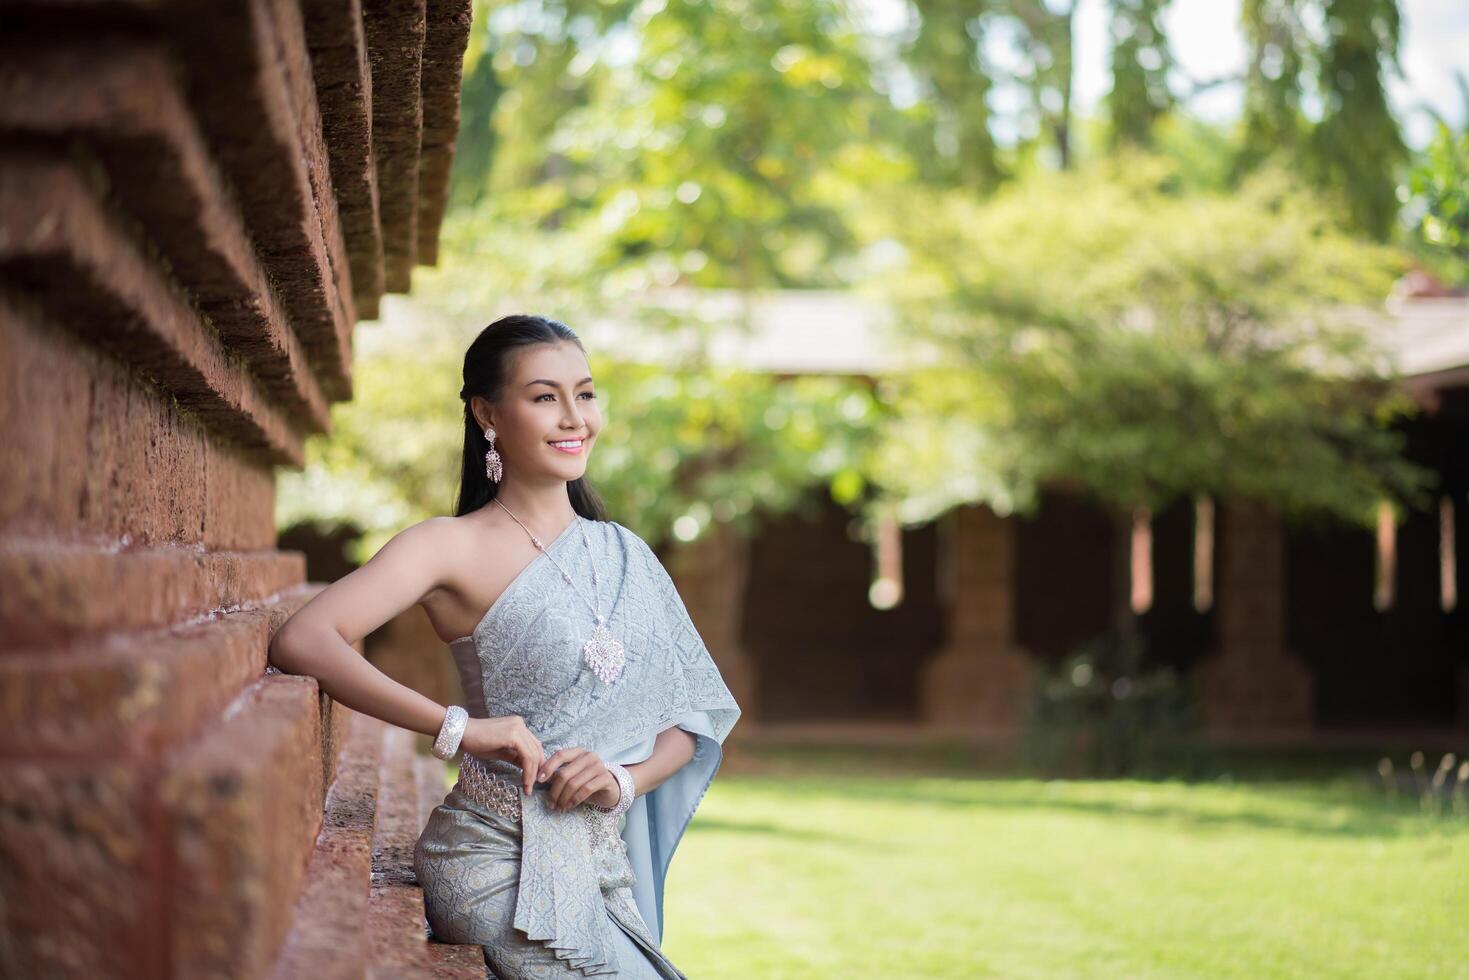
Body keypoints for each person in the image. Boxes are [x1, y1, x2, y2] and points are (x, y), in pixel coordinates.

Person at [268, 313, 742, 978]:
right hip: (497, 863)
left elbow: (692, 717)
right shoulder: (447, 545)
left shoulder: (626, 553)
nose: (574, 417)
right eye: (545, 397)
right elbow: (305, 638)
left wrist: (620, 779)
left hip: (601, 865)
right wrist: (459, 728)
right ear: (487, 413)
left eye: (585, 393)